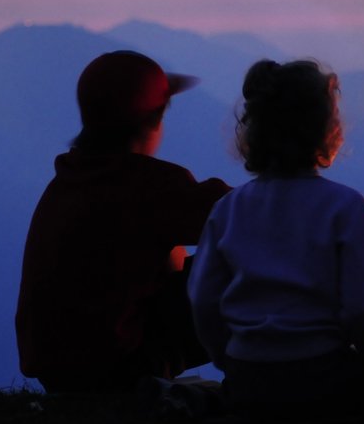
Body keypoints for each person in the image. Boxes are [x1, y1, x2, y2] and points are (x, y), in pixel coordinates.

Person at [187, 59, 364, 421]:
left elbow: (202, 299)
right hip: (323, 377)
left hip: (248, 378)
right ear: (326, 130)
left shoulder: (228, 208)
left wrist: (227, 358)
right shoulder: (344, 207)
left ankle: (201, 400)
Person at [16, 50, 230, 394]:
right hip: (120, 367)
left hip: (57, 374)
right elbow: (254, 215)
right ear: (154, 120)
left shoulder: (66, 182)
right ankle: (268, 376)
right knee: (238, 263)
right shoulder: (151, 185)